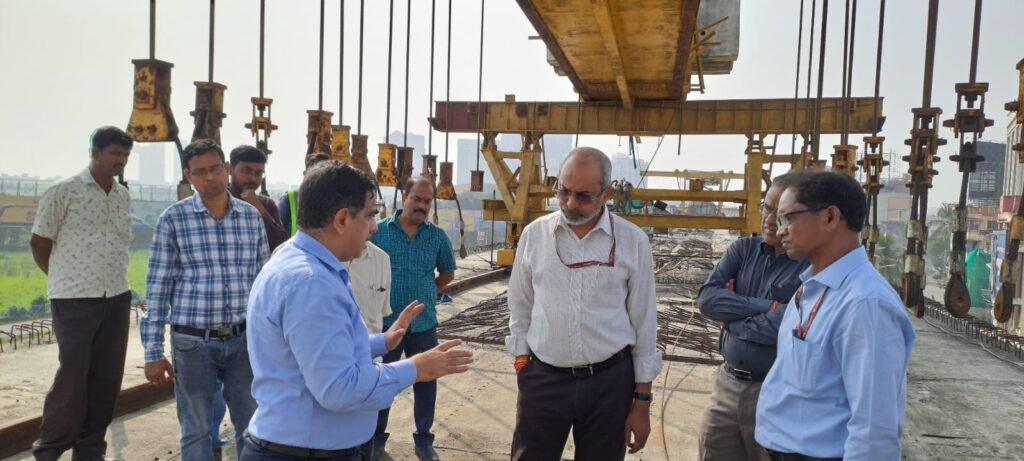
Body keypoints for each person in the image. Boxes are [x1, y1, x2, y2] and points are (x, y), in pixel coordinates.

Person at [242, 160, 473, 461]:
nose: (374, 227)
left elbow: (315, 350)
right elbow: (340, 388)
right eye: (369, 216)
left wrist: (382, 341)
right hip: (305, 453)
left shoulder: (298, 261)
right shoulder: (312, 284)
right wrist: (416, 368)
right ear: (341, 220)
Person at [506, 147, 662, 460]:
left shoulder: (632, 241)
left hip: (609, 383)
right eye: (563, 192)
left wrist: (641, 400)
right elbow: (520, 306)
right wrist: (523, 363)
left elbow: (644, 322)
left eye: (584, 196)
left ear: (608, 194)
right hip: (543, 379)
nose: (571, 204)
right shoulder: (535, 236)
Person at [755, 171, 916, 461]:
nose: (779, 231)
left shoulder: (865, 304)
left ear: (830, 218)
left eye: (788, 218)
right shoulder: (814, 288)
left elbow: (874, 429)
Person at [141, 139, 270, 461]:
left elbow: (263, 285)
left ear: (226, 169)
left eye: (215, 169)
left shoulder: (251, 218)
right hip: (193, 343)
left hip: (242, 341)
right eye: (200, 172)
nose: (210, 178)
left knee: (252, 423)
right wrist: (153, 352)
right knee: (196, 427)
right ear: (189, 177)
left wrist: (270, 338)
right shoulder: (173, 220)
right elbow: (158, 288)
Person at [29, 126, 134, 461]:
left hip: (116, 296)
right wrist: (64, 279)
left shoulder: (121, 195)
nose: (121, 161)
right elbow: (39, 242)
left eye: (125, 155)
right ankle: (49, 448)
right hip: (74, 298)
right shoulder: (64, 191)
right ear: (96, 152)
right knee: (72, 377)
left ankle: (90, 450)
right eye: (115, 153)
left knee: (106, 377)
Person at [696, 172, 810, 461]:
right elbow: (707, 300)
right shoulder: (743, 250)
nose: (771, 220)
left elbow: (786, 325)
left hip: (775, 390)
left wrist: (729, 320)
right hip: (727, 385)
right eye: (767, 208)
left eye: (782, 214)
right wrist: (766, 306)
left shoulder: (808, 264)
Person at [201, 145, 289, 459]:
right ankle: (211, 443)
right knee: (209, 394)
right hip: (207, 315)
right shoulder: (210, 205)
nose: (251, 178)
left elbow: (281, 244)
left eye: (257, 173)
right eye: (245, 171)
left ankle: (249, 445)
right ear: (230, 169)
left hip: (251, 313)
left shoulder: (265, 203)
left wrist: (259, 210)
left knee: (246, 390)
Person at [371, 175, 457, 461]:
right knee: (382, 382)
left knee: (426, 382)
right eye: (416, 199)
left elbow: (447, 272)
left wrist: (429, 293)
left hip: (423, 325)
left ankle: (423, 440)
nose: (421, 205)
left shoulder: (437, 237)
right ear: (404, 197)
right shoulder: (379, 232)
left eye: (426, 201)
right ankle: (376, 439)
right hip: (387, 325)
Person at [279, 152, 331, 236]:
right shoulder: (288, 200)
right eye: (314, 174)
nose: (318, 179)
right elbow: (277, 235)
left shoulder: (337, 203)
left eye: (323, 175)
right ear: (305, 174)